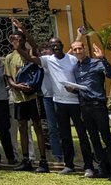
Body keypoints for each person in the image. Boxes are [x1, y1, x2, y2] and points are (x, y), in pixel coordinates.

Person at [33, 29, 95, 176]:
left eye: (57, 44)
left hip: (76, 102)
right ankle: (69, 165)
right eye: (52, 45)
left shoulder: (72, 59)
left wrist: (77, 91)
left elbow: (81, 74)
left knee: (82, 134)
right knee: (65, 134)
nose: (55, 47)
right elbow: (33, 53)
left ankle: (88, 166)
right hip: (59, 102)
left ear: (62, 45)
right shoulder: (48, 60)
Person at [75, 38, 111, 182]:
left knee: (106, 138)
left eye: (80, 48)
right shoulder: (76, 67)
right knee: (94, 139)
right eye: (75, 49)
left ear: (85, 49)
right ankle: (103, 169)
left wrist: (103, 58)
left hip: (98, 105)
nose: (77, 51)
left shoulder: (96, 63)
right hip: (84, 106)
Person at [4, 22, 51, 173]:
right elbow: (9, 78)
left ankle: (43, 160)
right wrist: (17, 86)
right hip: (18, 98)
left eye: (19, 39)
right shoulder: (9, 57)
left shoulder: (32, 53)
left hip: (33, 97)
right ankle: (26, 160)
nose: (16, 41)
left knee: (37, 126)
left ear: (24, 40)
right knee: (22, 127)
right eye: (13, 40)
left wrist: (23, 29)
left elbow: (34, 44)